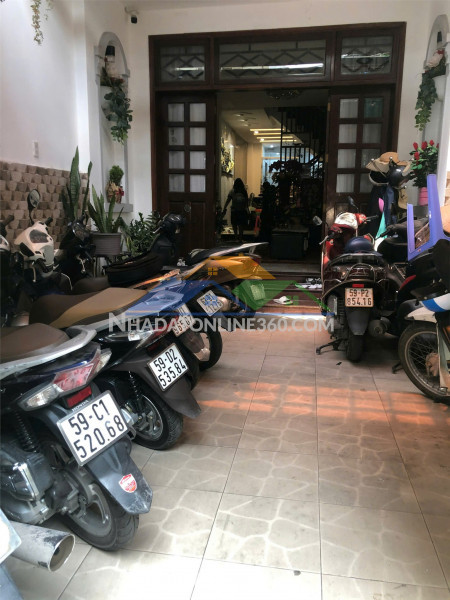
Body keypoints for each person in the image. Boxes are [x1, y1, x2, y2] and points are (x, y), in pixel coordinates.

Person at [223, 178, 249, 242]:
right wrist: (247, 209)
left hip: (234, 210)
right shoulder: (244, 191)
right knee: (241, 225)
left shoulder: (232, 191)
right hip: (242, 210)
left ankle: (236, 237)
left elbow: (228, 200)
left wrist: (225, 207)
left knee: (234, 224)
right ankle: (240, 238)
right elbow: (246, 202)